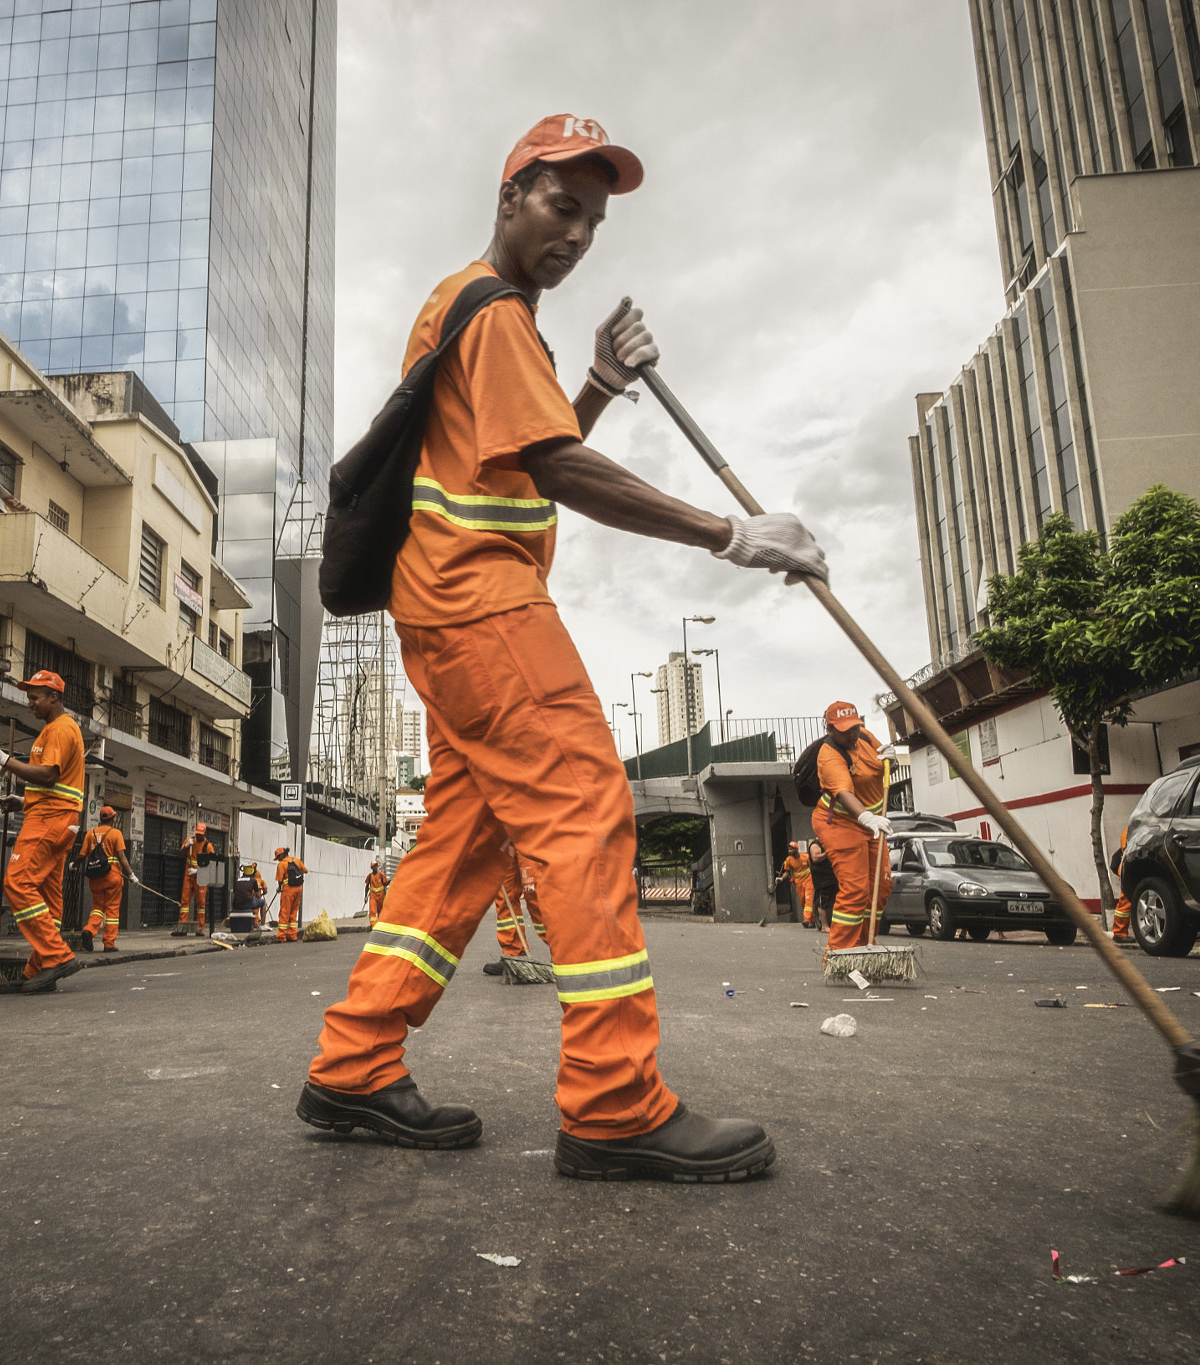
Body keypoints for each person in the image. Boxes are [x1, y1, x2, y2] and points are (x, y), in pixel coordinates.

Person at [299, 114, 826, 1181]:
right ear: (509, 198)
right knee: (586, 814)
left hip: (447, 616)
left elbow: (518, 455)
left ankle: (353, 1064)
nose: (577, 232)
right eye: (559, 205)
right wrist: (729, 533)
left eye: (591, 218)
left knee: (464, 842)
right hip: (485, 614)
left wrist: (599, 379)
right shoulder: (491, 311)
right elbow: (554, 469)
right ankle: (613, 1104)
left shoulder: (485, 319)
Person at [0, 670, 87, 995]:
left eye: (35, 696)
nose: (30, 703)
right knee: (49, 903)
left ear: (54, 697)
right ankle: (40, 970)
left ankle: (57, 956)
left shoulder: (60, 730)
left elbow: (49, 776)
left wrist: (3, 758)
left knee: (17, 882)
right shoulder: (58, 730)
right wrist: (24, 801)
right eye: (29, 696)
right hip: (56, 817)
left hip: (49, 822)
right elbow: (59, 784)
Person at [814, 702, 893, 952]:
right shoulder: (829, 755)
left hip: (871, 823)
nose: (852, 734)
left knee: (881, 886)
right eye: (844, 730)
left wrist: (893, 761)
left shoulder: (865, 736)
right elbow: (845, 794)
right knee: (856, 888)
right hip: (841, 823)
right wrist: (867, 818)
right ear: (829, 730)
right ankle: (839, 953)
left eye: (855, 727)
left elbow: (882, 766)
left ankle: (865, 944)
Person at [79, 806, 130, 951]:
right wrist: (131, 874)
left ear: (101, 818)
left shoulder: (90, 834)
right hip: (112, 877)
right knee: (112, 911)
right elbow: (121, 856)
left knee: (97, 908)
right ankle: (109, 944)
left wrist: (73, 864)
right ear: (113, 819)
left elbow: (82, 855)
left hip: (95, 878)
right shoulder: (116, 834)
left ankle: (89, 930)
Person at [176, 823, 214, 936]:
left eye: (200, 834)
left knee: (201, 903)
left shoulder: (208, 846)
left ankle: (200, 928)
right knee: (184, 901)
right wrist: (186, 846)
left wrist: (198, 871)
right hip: (188, 875)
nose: (198, 836)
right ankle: (182, 927)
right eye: (197, 834)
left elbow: (211, 865)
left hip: (201, 877)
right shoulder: (190, 841)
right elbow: (180, 855)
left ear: (205, 833)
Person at [273, 846, 307, 943]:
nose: (278, 860)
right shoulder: (296, 860)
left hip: (288, 889)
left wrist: (279, 888)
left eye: (278, 857)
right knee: (293, 912)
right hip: (299, 888)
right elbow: (305, 870)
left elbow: (280, 880)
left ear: (282, 855)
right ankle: (292, 936)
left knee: (284, 912)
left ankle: (281, 937)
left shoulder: (281, 864)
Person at [779, 841, 815, 927]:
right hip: (798, 883)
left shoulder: (806, 857)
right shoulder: (789, 860)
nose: (789, 851)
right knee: (803, 902)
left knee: (808, 900)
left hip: (809, 881)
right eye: (789, 849)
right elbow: (787, 872)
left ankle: (806, 920)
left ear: (796, 849)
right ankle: (812, 921)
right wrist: (781, 878)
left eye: (791, 849)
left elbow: (813, 868)